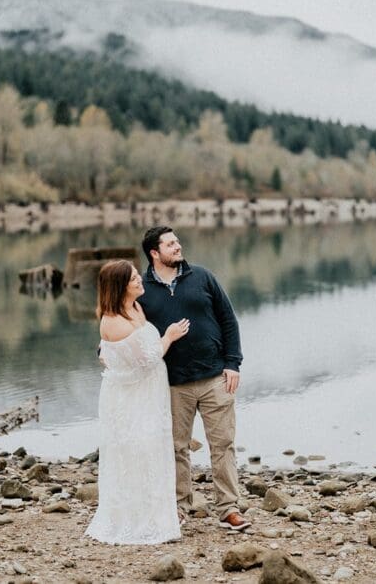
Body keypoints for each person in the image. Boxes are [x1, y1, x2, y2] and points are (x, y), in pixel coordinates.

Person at [137, 226, 252, 531]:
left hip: (216, 377)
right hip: (172, 384)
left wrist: (233, 363)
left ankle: (228, 509)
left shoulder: (202, 276)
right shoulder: (141, 289)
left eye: (177, 241)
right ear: (154, 253)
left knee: (223, 444)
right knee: (175, 448)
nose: (178, 246)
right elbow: (129, 329)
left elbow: (228, 319)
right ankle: (179, 508)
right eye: (170, 243)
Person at [85, 260, 190, 545]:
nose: (140, 280)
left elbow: (109, 355)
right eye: (133, 278)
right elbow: (146, 360)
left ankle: (157, 514)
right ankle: (133, 519)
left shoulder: (134, 308)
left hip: (148, 393)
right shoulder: (113, 321)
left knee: (153, 448)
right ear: (120, 286)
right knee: (134, 450)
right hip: (131, 397)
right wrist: (168, 336)